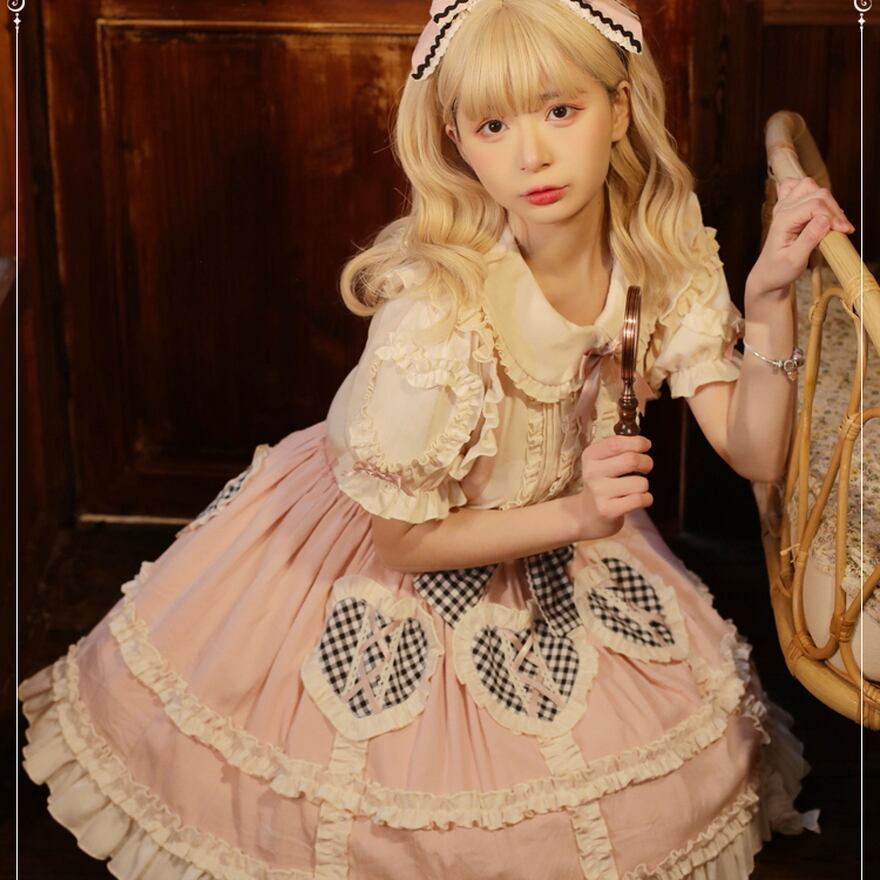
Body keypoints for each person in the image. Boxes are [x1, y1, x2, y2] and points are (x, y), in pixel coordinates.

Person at [19, 0, 853, 877]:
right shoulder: (438, 309)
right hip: (403, 542)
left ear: (618, 108)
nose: (530, 156)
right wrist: (577, 516)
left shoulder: (655, 235)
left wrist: (767, 299)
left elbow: (755, 454)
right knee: (416, 816)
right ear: (457, 139)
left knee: (672, 779)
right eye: (494, 125)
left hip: (556, 525)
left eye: (559, 110)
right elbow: (401, 540)